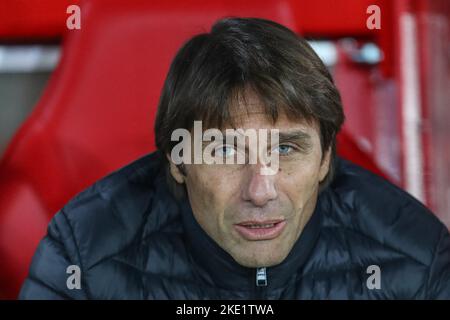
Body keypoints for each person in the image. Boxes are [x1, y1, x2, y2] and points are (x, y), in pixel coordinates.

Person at [20, 17, 450, 299]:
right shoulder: (83, 254)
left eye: (285, 149)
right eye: (224, 150)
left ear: (325, 159)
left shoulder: (416, 258)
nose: (261, 191)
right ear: (177, 160)